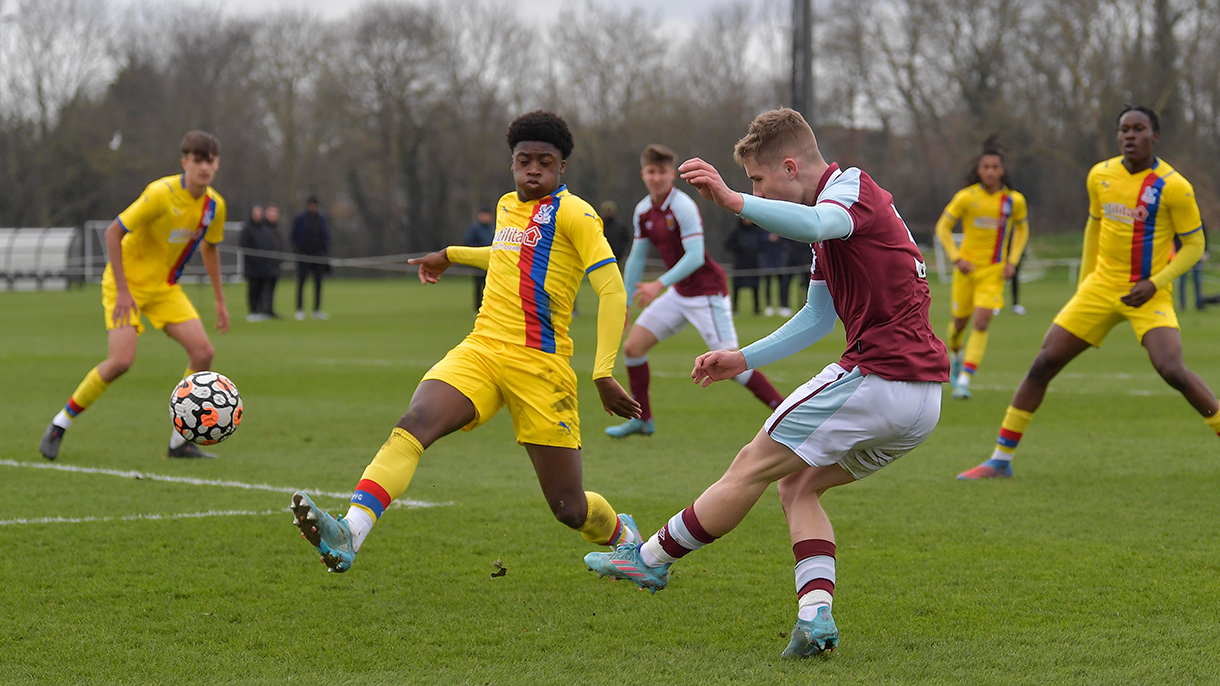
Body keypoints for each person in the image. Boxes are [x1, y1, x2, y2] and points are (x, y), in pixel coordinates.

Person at [584, 109, 948, 658]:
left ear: (790, 165)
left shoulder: (849, 191)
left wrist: (733, 200)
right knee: (798, 486)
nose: (753, 191)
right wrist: (742, 357)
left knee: (749, 466)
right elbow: (816, 318)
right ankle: (815, 619)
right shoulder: (831, 225)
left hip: (878, 379)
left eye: (758, 179)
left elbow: (818, 224)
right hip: (921, 403)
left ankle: (650, 559)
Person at [290, 111, 643, 573]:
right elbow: (508, 254)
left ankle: (625, 538)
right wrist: (452, 255)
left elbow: (612, 289)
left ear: (562, 169)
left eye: (544, 161)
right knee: (415, 422)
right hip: (482, 348)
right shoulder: (506, 206)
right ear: (513, 163)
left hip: (540, 366)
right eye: (523, 161)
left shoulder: (576, 213)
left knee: (569, 509)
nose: (532, 169)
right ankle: (350, 532)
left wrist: (603, 372)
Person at [958, 106, 1220, 480]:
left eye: (1139, 129)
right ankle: (1000, 460)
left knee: (1172, 370)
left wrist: (1156, 283)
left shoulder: (1174, 186)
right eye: (1123, 129)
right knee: (1043, 363)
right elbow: (1094, 228)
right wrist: (1084, 285)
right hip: (1099, 288)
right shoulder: (1101, 175)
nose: (1130, 135)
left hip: (1149, 293)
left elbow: (1194, 246)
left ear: (1155, 136)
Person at [38, 131, 229, 461]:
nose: (204, 167)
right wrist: (124, 292)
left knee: (203, 353)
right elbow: (113, 232)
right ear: (184, 162)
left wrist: (220, 300)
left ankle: (179, 442)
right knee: (121, 361)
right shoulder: (161, 193)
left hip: (164, 288)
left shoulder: (214, 205)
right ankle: (60, 423)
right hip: (123, 283)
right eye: (197, 160)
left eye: (210, 160)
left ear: (217, 164)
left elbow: (211, 249)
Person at [606, 143, 785, 438]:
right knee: (633, 348)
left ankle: (785, 411)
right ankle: (643, 420)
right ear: (643, 174)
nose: (657, 178)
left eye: (662, 172)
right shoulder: (643, 210)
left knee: (734, 366)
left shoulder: (682, 206)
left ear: (671, 175)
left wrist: (658, 284)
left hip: (707, 292)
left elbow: (695, 256)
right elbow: (637, 257)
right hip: (680, 293)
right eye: (651, 172)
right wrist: (624, 301)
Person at [935, 139, 1030, 399]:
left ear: (1002, 170)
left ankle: (964, 380)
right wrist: (956, 258)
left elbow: (1022, 228)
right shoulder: (967, 197)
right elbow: (943, 227)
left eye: (995, 167)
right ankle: (955, 353)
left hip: (993, 271)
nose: (990, 171)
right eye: (985, 167)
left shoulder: (1013, 201)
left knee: (981, 321)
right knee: (958, 325)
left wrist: (1012, 261)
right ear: (979, 170)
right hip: (966, 271)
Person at [240, 204, 283, 321]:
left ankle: (262, 310)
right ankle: (252, 311)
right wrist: (255, 259)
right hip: (252, 266)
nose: (258, 216)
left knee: (262, 289)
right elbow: (244, 247)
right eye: (256, 214)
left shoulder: (264, 229)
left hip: (264, 266)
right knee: (253, 289)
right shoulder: (248, 229)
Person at [292, 195, 330, 320]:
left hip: (318, 256)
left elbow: (325, 236)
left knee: (318, 284)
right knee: (301, 283)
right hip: (303, 256)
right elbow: (293, 236)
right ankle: (299, 310)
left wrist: (324, 252)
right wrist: (298, 251)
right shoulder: (300, 218)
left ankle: (316, 310)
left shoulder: (321, 218)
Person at [724, 217, 763, 315]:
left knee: (755, 287)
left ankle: (757, 309)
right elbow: (728, 244)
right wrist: (739, 248)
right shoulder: (737, 231)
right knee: (737, 286)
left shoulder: (757, 231)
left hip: (753, 263)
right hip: (740, 263)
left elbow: (763, 245)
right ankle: (735, 309)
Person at [463, 206, 495, 311]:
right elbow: (469, 242)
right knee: (478, 286)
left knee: (490, 286)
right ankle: (477, 308)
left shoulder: (493, 228)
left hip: (492, 262)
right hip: (478, 262)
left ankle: (489, 307)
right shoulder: (475, 229)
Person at [1174, 225, 1208, 311]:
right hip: (1183, 256)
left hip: (1197, 256)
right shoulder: (1178, 222)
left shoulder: (1199, 220)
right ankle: (1182, 305)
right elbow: (1175, 238)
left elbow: (1204, 235)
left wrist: (1205, 250)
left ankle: (1199, 303)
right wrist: (1179, 253)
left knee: (1197, 281)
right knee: (1182, 282)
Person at [759, 231, 789, 316]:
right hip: (768, 260)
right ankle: (769, 306)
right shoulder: (763, 225)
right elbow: (759, 238)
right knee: (768, 284)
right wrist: (767, 238)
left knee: (783, 285)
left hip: (781, 260)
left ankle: (784, 306)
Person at [262, 203, 283, 318]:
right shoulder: (263, 228)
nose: (273, 215)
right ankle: (262, 310)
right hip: (265, 264)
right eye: (271, 212)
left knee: (272, 288)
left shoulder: (277, 228)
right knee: (263, 287)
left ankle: (269, 309)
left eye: (275, 213)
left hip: (275, 264)